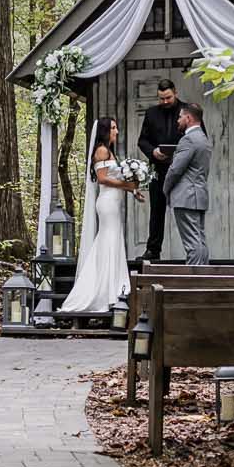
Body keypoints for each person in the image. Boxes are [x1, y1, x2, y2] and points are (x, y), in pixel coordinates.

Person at [59, 117, 137, 317]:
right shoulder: (102, 150)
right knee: (108, 240)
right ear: (104, 131)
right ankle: (106, 291)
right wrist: (128, 186)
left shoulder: (109, 152)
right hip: (107, 203)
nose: (116, 131)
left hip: (113, 202)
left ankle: (115, 289)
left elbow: (115, 177)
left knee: (113, 240)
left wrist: (133, 190)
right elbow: (103, 179)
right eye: (113, 128)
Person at [136, 79, 185, 265]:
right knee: (156, 211)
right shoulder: (151, 113)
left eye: (168, 98)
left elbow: (197, 137)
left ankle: (192, 249)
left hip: (181, 171)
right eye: (161, 98)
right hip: (158, 170)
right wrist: (153, 152)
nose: (165, 102)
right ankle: (153, 250)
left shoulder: (187, 111)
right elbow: (142, 140)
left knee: (185, 210)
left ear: (176, 92)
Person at [161, 102, 212, 267]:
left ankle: (193, 282)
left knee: (192, 243)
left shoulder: (189, 139)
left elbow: (175, 170)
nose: (178, 120)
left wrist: (165, 189)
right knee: (199, 240)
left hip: (186, 196)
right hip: (198, 195)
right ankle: (203, 277)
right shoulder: (203, 139)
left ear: (188, 118)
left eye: (180, 116)